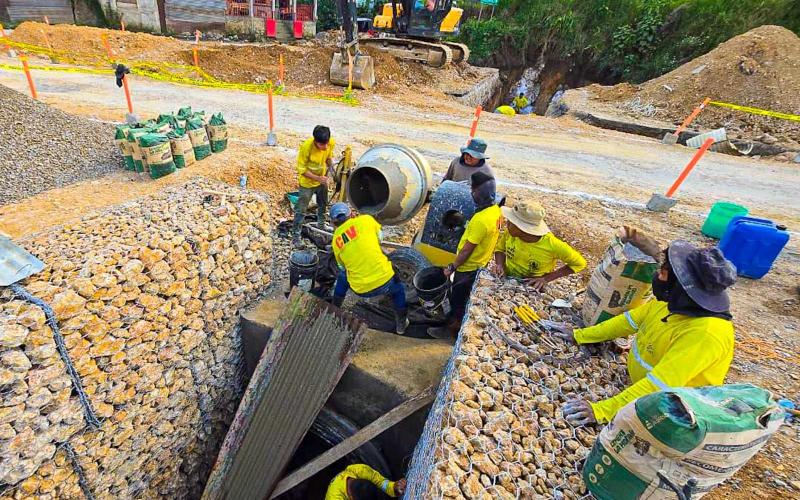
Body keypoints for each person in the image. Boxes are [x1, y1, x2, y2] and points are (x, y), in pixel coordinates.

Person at [554, 241, 737, 425]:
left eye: (664, 273)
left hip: (669, 414)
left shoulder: (705, 334)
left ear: (682, 286)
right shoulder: (670, 303)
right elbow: (627, 322)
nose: (657, 276)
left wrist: (602, 410)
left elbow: (660, 385)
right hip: (638, 391)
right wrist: (580, 335)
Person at [428, 172, 503, 339]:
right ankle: (454, 325)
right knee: (463, 299)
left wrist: (452, 267)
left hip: (467, 267)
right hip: (480, 264)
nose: (471, 193)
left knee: (458, 301)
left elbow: (467, 249)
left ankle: (450, 331)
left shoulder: (480, 220)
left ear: (477, 194)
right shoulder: (495, 212)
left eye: (473, 191)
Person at [330, 203, 409, 334]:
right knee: (398, 289)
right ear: (352, 214)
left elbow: (341, 266)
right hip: (385, 283)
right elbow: (380, 238)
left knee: (343, 276)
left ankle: (334, 308)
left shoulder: (335, 240)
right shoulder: (366, 220)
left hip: (360, 289)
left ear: (333, 223)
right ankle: (401, 323)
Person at [493, 200, 586, 290]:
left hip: (530, 285)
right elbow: (500, 249)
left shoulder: (553, 245)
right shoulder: (510, 233)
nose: (507, 223)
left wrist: (546, 279)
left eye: (511, 222)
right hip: (507, 277)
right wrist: (499, 264)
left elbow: (579, 263)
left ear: (523, 228)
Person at [292, 125, 336, 244]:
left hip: (322, 180)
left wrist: (331, 166)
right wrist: (317, 178)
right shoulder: (306, 147)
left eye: (327, 143)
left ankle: (321, 225)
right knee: (301, 208)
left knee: (323, 203)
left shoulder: (329, 142)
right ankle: (296, 235)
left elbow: (328, 157)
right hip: (307, 183)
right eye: (322, 145)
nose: (325, 146)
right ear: (315, 141)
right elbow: (302, 169)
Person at [325, 463, 406, 499]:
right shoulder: (334, 498)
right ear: (351, 498)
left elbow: (381, 483)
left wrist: (394, 487)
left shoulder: (362, 471)